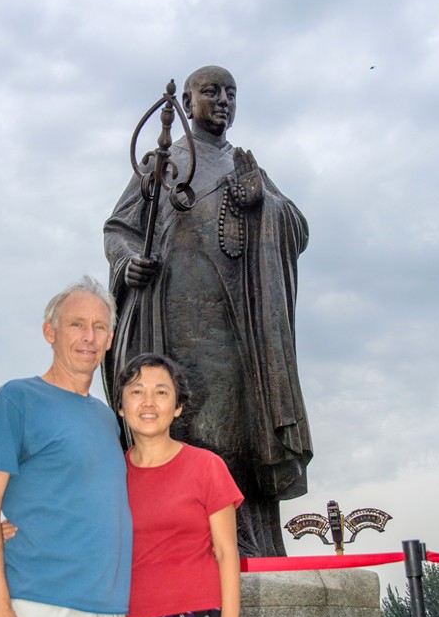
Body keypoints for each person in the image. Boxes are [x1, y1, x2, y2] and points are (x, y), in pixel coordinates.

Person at [103, 65, 313, 558]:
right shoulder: (162, 163)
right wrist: (129, 263)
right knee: (184, 423)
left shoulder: (245, 166)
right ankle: (184, 540)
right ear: (188, 101)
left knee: (240, 424)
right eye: (211, 92)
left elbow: (297, 226)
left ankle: (249, 542)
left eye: (230, 94)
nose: (222, 101)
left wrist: (262, 204)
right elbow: (119, 229)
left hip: (236, 327)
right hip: (171, 320)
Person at [0, 276, 132, 617]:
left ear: (110, 339)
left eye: (99, 327)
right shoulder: (17, 399)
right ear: (50, 331)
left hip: (109, 616)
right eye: (77, 324)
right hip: (41, 612)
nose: (89, 337)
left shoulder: (107, 419)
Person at [116, 352, 252, 617]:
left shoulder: (207, 467)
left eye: (161, 392)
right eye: (136, 391)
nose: (148, 402)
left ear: (177, 407)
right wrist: (19, 527)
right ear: (121, 406)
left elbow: (227, 554)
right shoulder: (110, 477)